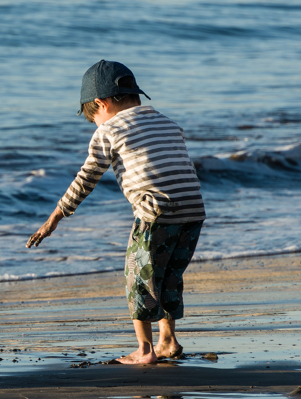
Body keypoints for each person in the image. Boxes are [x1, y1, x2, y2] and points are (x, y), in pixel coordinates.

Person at [26, 61, 205, 364]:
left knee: (138, 276)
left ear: (101, 103)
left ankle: (145, 350)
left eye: (94, 118)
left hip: (155, 211)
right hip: (193, 209)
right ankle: (168, 341)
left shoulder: (109, 130)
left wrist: (55, 217)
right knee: (167, 276)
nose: (96, 125)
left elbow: (86, 178)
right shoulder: (166, 121)